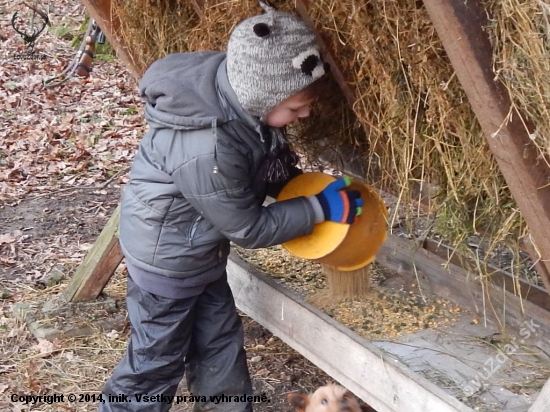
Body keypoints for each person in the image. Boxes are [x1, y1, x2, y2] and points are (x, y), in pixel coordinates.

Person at [100, 3, 363, 412]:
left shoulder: (242, 108)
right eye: (296, 108)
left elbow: (261, 165)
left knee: (220, 346)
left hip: (199, 253)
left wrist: (315, 190)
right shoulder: (209, 147)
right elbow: (249, 228)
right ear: (261, 94)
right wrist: (315, 208)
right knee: (156, 363)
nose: (306, 113)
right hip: (167, 266)